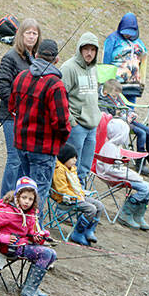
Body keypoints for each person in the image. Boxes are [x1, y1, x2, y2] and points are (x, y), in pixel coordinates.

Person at [8, 39, 70, 215]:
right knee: (36, 197)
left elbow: (12, 107)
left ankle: (16, 228)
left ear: (36, 56)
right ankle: (31, 234)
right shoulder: (55, 85)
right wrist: (60, 141)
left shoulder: (21, 77)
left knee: (22, 194)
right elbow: (61, 123)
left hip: (21, 145)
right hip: (43, 150)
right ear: (56, 60)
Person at [0, 178, 57, 296]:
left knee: (52, 254)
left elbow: (29, 232)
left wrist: (36, 236)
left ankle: (31, 286)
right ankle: (28, 290)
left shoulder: (30, 213)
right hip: (8, 247)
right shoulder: (8, 211)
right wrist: (2, 238)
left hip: (22, 244)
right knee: (46, 254)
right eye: (24, 197)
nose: (27, 202)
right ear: (17, 196)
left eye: (30, 199)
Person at [0, 18, 41, 199]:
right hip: (10, 116)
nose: (31, 36)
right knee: (14, 158)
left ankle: (20, 200)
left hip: (28, 119)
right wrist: (17, 104)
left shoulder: (35, 60)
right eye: (27, 33)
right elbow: (0, 87)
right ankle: (5, 200)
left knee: (24, 159)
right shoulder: (11, 57)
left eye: (34, 33)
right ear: (20, 35)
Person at [98, 117, 149, 231]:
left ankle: (138, 216)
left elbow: (116, 168)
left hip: (117, 174)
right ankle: (125, 214)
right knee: (144, 188)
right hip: (109, 176)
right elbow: (110, 169)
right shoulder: (110, 147)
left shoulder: (116, 146)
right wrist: (129, 174)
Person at [60, 33, 101, 184]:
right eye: (86, 49)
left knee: (85, 168)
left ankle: (81, 199)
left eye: (93, 50)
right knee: (71, 167)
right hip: (77, 126)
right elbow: (60, 97)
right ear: (79, 49)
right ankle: (68, 202)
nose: (89, 53)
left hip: (92, 125)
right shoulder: (68, 68)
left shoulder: (94, 69)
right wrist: (72, 121)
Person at [101, 78, 149, 174]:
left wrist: (131, 113)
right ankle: (140, 164)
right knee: (142, 133)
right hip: (119, 124)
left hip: (127, 119)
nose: (116, 98)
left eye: (118, 96)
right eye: (114, 96)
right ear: (105, 92)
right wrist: (124, 119)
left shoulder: (115, 96)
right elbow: (108, 119)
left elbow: (125, 106)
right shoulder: (102, 101)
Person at [52, 142, 107, 246]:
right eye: (72, 158)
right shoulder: (59, 170)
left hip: (76, 196)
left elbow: (76, 186)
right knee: (91, 209)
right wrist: (78, 197)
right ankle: (78, 232)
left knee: (99, 206)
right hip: (65, 199)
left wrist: (80, 195)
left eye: (76, 158)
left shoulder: (71, 169)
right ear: (64, 158)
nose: (75, 161)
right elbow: (62, 190)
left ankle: (89, 230)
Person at [102, 12, 148, 99]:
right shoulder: (112, 39)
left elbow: (143, 63)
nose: (127, 35)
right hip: (115, 85)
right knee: (114, 109)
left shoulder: (139, 43)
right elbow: (106, 62)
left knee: (130, 110)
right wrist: (105, 82)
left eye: (130, 33)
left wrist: (142, 82)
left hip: (133, 86)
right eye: (125, 32)